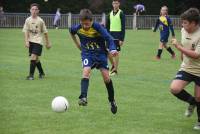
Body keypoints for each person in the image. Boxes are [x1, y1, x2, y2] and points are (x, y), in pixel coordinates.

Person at [69, 9, 118, 114]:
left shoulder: (98, 27)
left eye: (87, 24)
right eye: (83, 24)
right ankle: (83, 97)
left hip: (100, 54)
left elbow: (109, 39)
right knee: (86, 71)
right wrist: (77, 44)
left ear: (91, 21)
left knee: (106, 78)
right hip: (87, 54)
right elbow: (71, 31)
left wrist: (113, 49)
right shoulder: (78, 28)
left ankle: (112, 101)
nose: (85, 26)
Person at [170, 8, 200, 130]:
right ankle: (191, 102)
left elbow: (197, 55)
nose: (183, 25)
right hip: (186, 68)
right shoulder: (183, 30)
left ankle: (199, 121)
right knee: (174, 88)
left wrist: (178, 48)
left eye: (185, 22)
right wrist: (182, 54)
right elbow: (185, 45)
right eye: (183, 22)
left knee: (199, 97)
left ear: (194, 23)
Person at [22, 3, 51, 80]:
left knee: (33, 57)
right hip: (31, 41)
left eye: (36, 9)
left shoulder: (40, 21)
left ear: (38, 11)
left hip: (38, 42)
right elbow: (26, 31)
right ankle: (41, 73)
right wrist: (26, 41)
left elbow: (45, 32)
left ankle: (31, 76)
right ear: (30, 10)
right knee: (36, 59)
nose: (34, 11)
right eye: (32, 9)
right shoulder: (27, 20)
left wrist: (47, 43)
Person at [106, 0, 125, 76]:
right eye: (114, 3)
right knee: (107, 51)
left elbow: (123, 27)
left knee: (116, 53)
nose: (115, 4)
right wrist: (106, 36)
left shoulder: (121, 13)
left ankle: (115, 70)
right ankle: (113, 65)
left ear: (119, 4)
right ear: (112, 4)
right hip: (110, 35)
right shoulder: (109, 14)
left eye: (116, 3)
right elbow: (107, 27)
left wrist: (122, 39)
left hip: (118, 35)